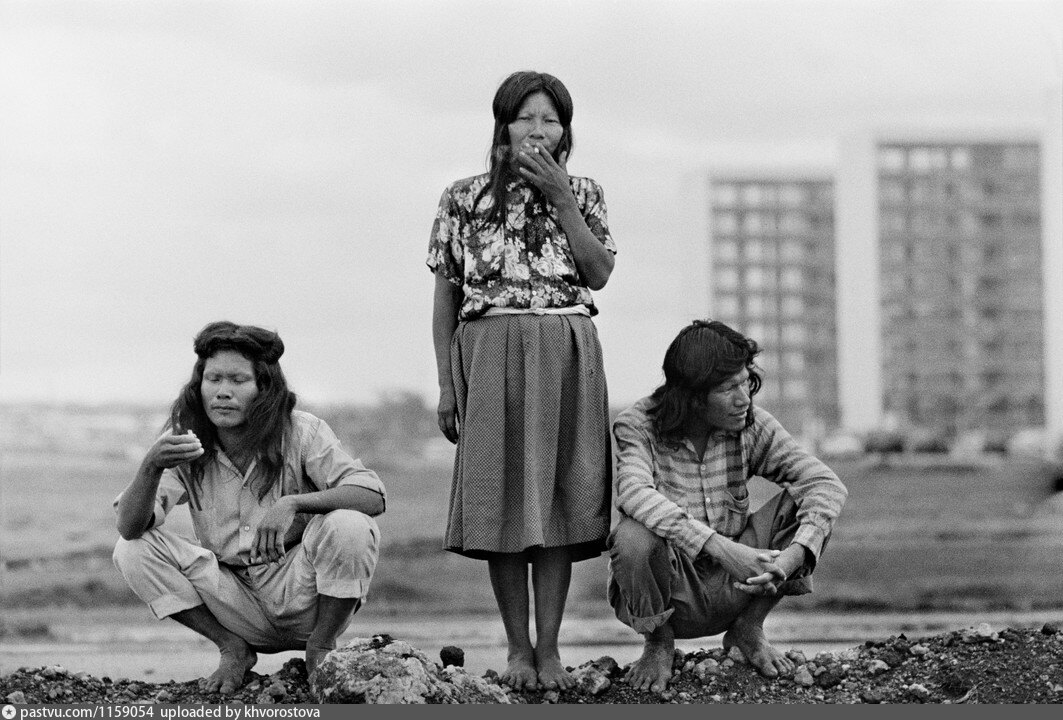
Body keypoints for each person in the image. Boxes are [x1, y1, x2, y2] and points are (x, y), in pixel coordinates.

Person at [426, 70, 616, 691]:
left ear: (565, 132)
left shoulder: (585, 193)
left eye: (551, 120)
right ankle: (516, 648)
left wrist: (562, 198)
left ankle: (551, 649)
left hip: (565, 349)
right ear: (502, 126)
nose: (538, 130)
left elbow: (598, 273)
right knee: (504, 504)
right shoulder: (463, 198)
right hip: (489, 352)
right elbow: (445, 300)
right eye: (526, 117)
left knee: (558, 503)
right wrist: (447, 385)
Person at [113, 321, 385, 694]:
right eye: (213, 379)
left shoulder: (302, 432)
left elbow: (372, 495)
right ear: (199, 385)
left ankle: (321, 649)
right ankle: (232, 648)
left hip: (303, 593)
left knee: (350, 525)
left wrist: (293, 503)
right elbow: (129, 527)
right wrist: (151, 466)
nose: (223, 392)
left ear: (263, 387)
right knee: (132, 549)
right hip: (231, 600)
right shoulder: (186, 441)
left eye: (238, 380)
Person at [607, 320, 848, 694]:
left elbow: (825, 484)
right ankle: (658, 644)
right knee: (632, 536)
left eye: (745, 382)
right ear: (691, 396)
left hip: (745, 585)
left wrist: (792, 558)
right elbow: (633, 493)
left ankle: (748, 629)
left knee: (811, 505)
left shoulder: (750, 424)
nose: (743, 398)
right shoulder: (638, 425)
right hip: (673, 591)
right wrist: (721, 548)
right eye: (727, 389)